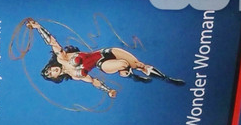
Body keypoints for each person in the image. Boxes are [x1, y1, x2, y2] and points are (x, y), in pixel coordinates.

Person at [26, 18, 184, 98]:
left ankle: (166, 78)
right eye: (50, 74)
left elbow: (52, 42)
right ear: (55, 77)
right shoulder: (75, 75)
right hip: (102, 63)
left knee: (139, 64)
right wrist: (108, 90)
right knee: (123, 64)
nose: (51, 71)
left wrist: (38, 27)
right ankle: (129, 74)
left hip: (107, 52)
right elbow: (94, 81)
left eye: (49, 69)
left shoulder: (62, 57)